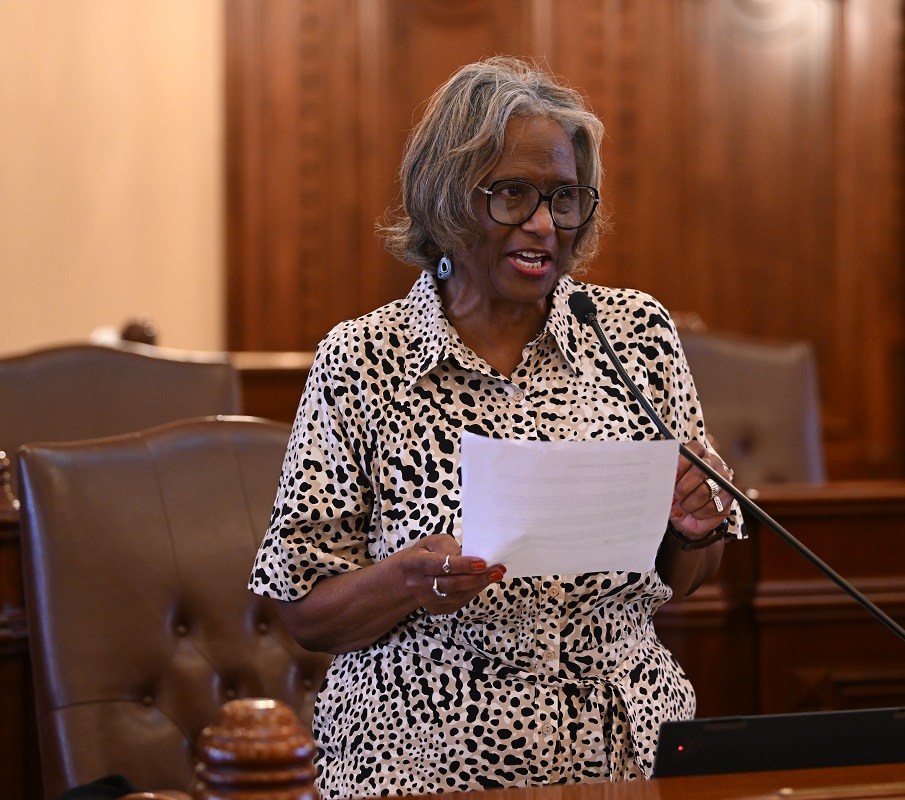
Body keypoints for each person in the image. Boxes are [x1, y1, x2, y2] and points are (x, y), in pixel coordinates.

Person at [249, 55, 740, 797]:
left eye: (565, 198)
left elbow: (686, 579)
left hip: (630, 759)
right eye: (513, 194)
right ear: (447, 200)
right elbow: (304, 611)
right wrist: (406, 580)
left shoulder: (635, 333)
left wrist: (694, 526)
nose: (545, 225)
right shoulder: (365, 359)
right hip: (419, 768)